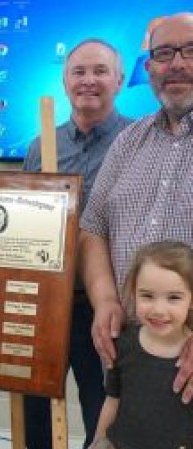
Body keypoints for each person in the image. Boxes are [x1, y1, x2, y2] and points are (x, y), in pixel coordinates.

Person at [22, 38, 132, 449]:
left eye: (100, 71)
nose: (89, 80)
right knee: (34, 407)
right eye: (79, 71)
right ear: (65, 82)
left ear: (119, 81)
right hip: (44, 303)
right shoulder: (38, 147)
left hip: (103, 309)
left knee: (100, 406)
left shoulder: (136, 143)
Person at [80, 12, 193, 408]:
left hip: (187, 354)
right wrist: (105, 299)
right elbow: (93, 229)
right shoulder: (129, 141)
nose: (177, 63)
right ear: (149, 69)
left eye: (190, 51)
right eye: (164, 53)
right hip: (127, 348)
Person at [69, 240, 193, 449]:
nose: (159, 310)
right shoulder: (123, 345)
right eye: (147, 296)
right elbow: (112, 401)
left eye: (173, 297)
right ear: (133, 293)